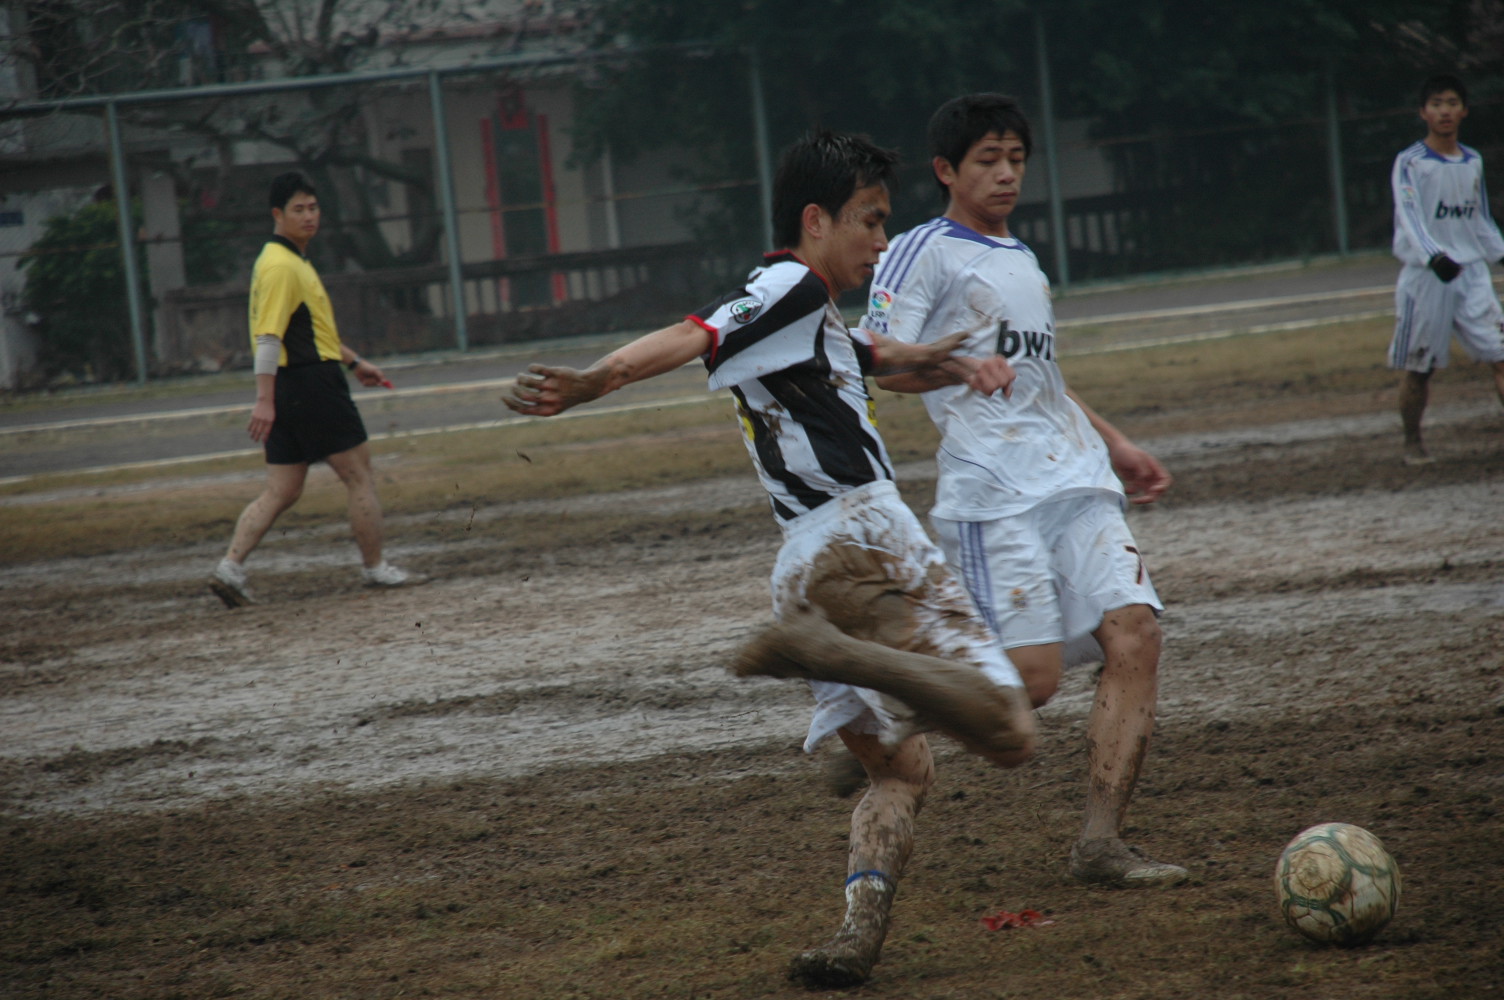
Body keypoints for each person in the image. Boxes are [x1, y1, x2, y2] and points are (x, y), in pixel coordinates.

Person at [505, 130, 1036, 989]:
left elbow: (862, 354)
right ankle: (835, 656)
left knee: (902, 771)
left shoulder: (806, 312)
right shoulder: (789, 285)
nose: (881, 240)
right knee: (1011, 730)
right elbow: (697, 333)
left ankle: (855, 935)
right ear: (816, 220)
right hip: (863, 539)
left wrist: (946, 360)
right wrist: (593, 381)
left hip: (806, 566)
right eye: (870, 220)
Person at [867, 93, 1186, 888]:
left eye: (1016, 159)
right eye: (988, 160)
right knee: (1033, 685)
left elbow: (1042, 379)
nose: (1007, 174)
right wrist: (957, 368)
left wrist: (1115, 443)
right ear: (946, 170)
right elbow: (878, 358)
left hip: (1075, 478)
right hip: (994, 491)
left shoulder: (1024, 260)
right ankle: (892, 711)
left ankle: (1101, 843)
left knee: (1137, 633)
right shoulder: (922, 250)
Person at [209, 171, 421, 607]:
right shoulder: (282, 266)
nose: (309, 216)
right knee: (359, 475)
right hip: (310, 384)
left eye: (313, 207)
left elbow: (309, 332)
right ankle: (375, 568)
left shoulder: (286, 260)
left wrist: (355, 362)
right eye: (298, 210)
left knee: (283, 489)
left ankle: (229, 569)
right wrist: (263, 400)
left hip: (296, 382)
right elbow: (269, 338)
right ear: (277, 214)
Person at [1387, 73, 1504, 465]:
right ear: (1423, 112)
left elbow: (1480, 218)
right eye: (1436, 104)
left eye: (1452, 103)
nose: (1445, 112)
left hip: (1470, 273)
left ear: (1464, 110)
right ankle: (1412, 441)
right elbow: (1410, 216)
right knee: (1421, 367)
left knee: (1501, 354)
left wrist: (1499, 253)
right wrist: (1434, 256)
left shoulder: (1472, 161)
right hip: (1427, 276)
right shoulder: (1410, 162)